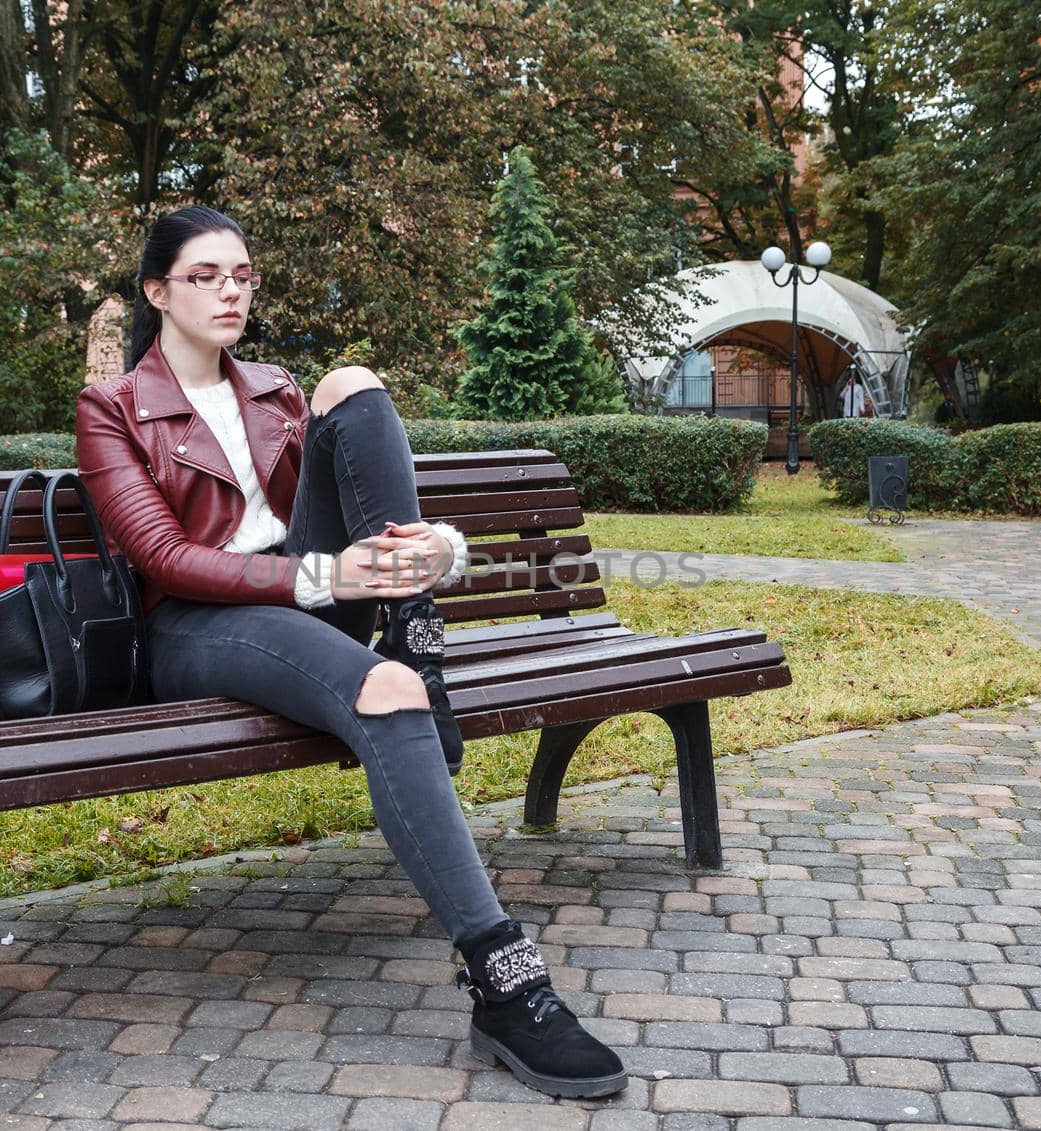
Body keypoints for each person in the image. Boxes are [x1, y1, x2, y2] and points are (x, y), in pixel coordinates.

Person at [75, 206, 627, 1099]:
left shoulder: (276, 389)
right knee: (388, 692)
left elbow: (357, 505)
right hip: (194, 624)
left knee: (355, 381)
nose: (230, 292)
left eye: (243, 276)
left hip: (309, 594)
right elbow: (166, 560)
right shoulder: (113, 410)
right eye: (206, 275)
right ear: (157, 291)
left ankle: (415, 627)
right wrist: (329, 575)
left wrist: (433, 550)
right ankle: (505, 981)